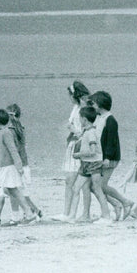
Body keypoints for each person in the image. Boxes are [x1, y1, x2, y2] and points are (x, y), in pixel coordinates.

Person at [0, 104, 42, 225]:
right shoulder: (19, 128)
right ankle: (29, 212)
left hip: (11, 165)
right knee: (13, 191)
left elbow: (12, 149)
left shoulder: (8, 131)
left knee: (8, 191)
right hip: (22, 164)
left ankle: (19, 215)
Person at [50, 81, 92, 222]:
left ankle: (82, 213)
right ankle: (67, 212)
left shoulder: (85, 109)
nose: (69, 98)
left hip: (80, 144)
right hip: (72, 143)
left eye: (70, 95)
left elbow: (88, 129)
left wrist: (74, 130)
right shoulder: (75, 108)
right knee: (70, 181)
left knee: (81, 182)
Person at [89, 91, 133, 220]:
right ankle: (116, 204)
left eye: (94, 103)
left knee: (101, 186)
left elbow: (111, 141)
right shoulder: (99, 118)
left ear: (100, 104)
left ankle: (125, 202)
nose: (93, 106)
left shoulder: (110, 120)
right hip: (100, 157)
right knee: (93, 186)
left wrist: (107, 157)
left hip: (110, 158)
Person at [70, 106, 112, 222]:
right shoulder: (87, 131)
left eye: (80, 118)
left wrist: (78, 154)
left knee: (97, 189)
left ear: (84, 119)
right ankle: (72, 216)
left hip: (94, 164)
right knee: (76, 188)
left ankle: (107, 216)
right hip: (85, 164)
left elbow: (92, 151)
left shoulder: (91, 132)